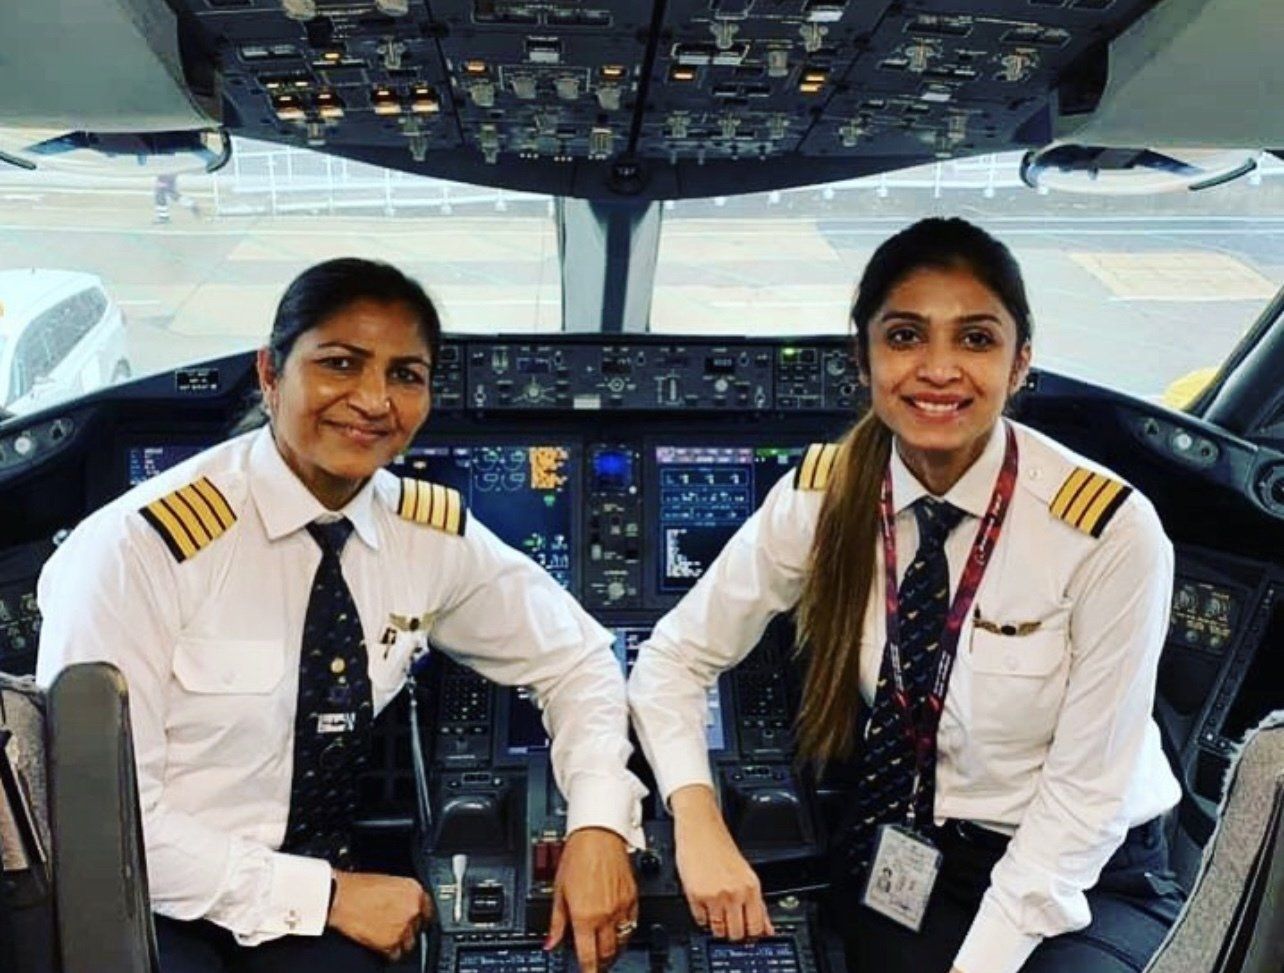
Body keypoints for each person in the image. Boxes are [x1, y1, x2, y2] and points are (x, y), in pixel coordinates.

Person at [36, 258, 644, 973]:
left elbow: (577, 657)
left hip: (316, 887)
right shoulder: (137, 549)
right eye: (340, 364)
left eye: (405, 375)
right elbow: (103, 825)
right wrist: (323, 895)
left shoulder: (424, 535)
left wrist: (598, 825)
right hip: (157, 906)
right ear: (270, 373)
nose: (373, 400)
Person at [628, 218, 1185, 973]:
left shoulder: (1105, 531)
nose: (939, 369)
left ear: (1021, 362)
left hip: (1087, 871)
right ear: (863, 359)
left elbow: (1084, 799)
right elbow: (672, 658)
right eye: (905, 337)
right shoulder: (823, 499)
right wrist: (696, 821)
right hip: (917, 852)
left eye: (976, 339)